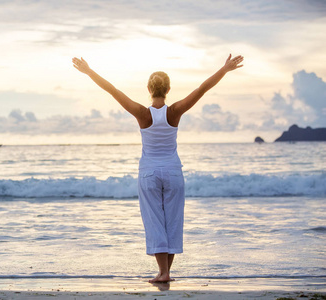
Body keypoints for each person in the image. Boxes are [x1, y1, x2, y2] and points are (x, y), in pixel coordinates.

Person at [72, 54, 244, 283]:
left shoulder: (142, 114)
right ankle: (166, 272)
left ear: (148, 89)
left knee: (155, 221)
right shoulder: (174, 112)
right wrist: (224, 69)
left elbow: (113, 91)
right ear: (168, 88)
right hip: (173, 172)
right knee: (172, 221)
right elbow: (202, 89)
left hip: (149, 173)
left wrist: (89, 71)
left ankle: (163, 272)